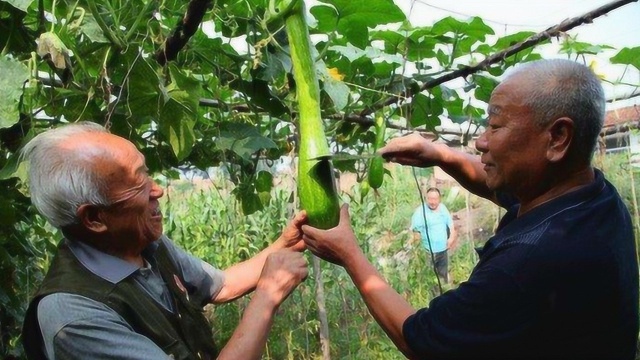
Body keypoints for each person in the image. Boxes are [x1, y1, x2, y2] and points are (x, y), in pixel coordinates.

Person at [302, 59, 639, 359]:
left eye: (495, 125)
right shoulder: (593, 197)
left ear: (557, 138)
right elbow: (504, 189)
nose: (480, 141)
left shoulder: (527, 263)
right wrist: (441, 154)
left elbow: (420, 341)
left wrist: (350, 255)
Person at [20, 122, 309, 360]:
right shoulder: (75, 317)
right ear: (95, 218)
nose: (157, 190)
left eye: (146, 173)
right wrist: (267, 296)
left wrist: (284, 243)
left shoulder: (143, 243)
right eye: (138, 183)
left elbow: (221, 285)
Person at [411, 187, 456, 284]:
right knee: (430, 278)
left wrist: (451, 238)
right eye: (430, 199)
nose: (432, 202)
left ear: (439, 199)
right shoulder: (420, 212)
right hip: (428, 252)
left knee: (443, 275)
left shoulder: (443, 208)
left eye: (435, 199)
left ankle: (444, 292)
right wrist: (417, 252)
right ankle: (433, 296)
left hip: (443, 250)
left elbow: (451, 225)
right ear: (426, 198)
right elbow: (415, 232)